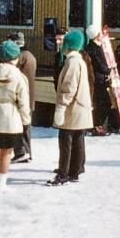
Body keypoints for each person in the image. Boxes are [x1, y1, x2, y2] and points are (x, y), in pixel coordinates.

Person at [0, 40, 31, 193]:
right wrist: (25, 119)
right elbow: (23, 101)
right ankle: (2, 184)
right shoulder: (19, 76)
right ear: (15, 57)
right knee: (7, 152)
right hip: (11, 117)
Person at [49, 30, 90, 186]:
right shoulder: (79, 61)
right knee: (78, 140)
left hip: (72, 109)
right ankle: (74, 171)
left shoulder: (72, 62)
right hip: (80, 107)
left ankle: (63, 173)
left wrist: (61, 107)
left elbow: (69, 88)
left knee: (65, 140)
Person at [10, 32, 38, 162]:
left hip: (20, 97)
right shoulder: (30, 56)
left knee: (19, 125)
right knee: (26, 126)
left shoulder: (19, 58)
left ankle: (21, 152)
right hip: (29, 96)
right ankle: (28, 152)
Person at [84, 25, 110, 136]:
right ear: (96, 36)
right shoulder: (93, 49)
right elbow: (100, 64)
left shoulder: (91, 47)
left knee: (101, 103)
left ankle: (96, 125)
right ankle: (96, 125)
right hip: (98, 80)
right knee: (103, 103)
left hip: (98, 79)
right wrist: (109, 70)